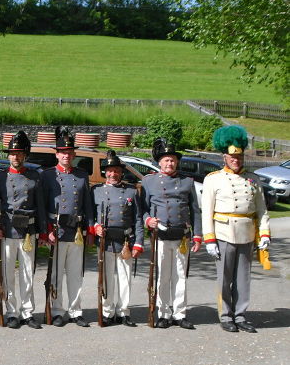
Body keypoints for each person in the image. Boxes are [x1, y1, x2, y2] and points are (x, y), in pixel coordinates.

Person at [201, 125, 270, 333]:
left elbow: (262, 210)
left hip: (247, 233)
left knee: (243, 278)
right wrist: (209, 239)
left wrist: (265, 234)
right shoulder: (213, 179)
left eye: (239, 157)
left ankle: (240, 315)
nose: (236, 161)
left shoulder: (253, 179)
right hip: (223, 233)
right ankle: (225, 315)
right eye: (232, 157)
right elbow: (207, 212)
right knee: (224, 278)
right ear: (225, 157)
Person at [141, 137, 202, 330]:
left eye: (173, 160)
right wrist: (148, 220)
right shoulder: (149, 181)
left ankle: (180, 313)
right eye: (166, 160)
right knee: (163, 276)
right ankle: (163, 313)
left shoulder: (187, 181)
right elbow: (142, 209)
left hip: (182, 236)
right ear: (159, 162)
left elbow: (195, 210)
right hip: (161, 236)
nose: (170, 163)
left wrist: (197, 235)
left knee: (180, 276)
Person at [0, 131, 45, 329]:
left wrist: (43, 231)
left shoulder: (34, 177)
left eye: (19, 153)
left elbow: (41, 206)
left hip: (28, 231)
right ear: (8, 156)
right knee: (8, 274)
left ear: (25, 155)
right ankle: (11, 311)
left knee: (28, 273)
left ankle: (27, 312)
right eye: (12, 153)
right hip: (7, 230)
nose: (16, 157)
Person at [40, 126, 93, 327]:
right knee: (55, 274)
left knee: (75, 273)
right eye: (63, 152)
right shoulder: (47, 175)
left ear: (74, 154)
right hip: (57, 230)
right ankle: (56, 310)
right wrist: (46, 231)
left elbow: (87, 204)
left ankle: (76, 310)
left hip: (76, 230)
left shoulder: (81, 175)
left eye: (69, 152)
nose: (66, 155)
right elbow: (43, 205)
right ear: (57, 154)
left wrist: (88, 229)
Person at [91, 150, 143, 327]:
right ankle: (107, 311)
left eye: (117, 171)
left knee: (125, 277)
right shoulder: (96, 191)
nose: (113, 174)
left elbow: (138, 218)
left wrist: (138, 242)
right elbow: (91, 216)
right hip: (105, 240)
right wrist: (95, 227)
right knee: (107, 278)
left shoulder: (131, 191)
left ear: (121, 172)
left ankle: (124, 312)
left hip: (125, 241)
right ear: (105, 172)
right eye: (110, 171)